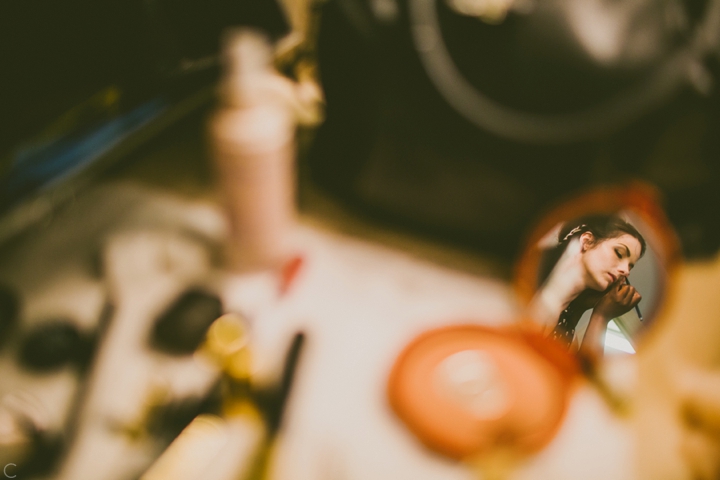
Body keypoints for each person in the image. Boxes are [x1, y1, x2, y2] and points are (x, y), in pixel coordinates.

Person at [529, 214, 645, 361]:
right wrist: (601, 316)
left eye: (630, 266)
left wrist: (598, 314)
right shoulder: (537, 294)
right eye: (619, 253)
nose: (626, 271)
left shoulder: (567, 329)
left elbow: (579, 373)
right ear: (587, 241)